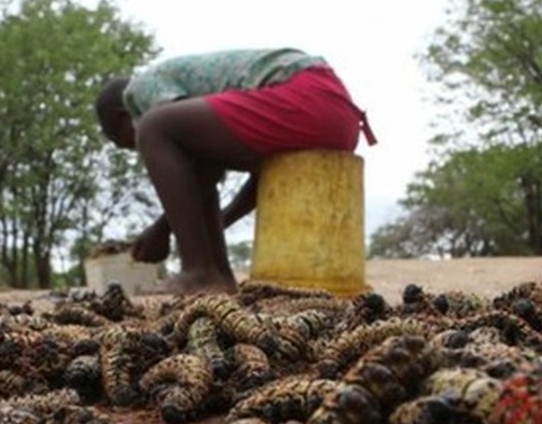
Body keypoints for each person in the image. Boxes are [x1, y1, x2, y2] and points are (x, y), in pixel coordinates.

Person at [95, 47, 375, 294]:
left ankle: (198, 271)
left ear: (123, 115)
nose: (138, 150)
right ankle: (219, 278)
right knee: (190, 157)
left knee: (154, 128)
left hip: (307, 96)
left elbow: (193, 163)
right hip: (339, 115)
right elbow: (206, 169)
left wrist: (161, 229)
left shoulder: (141, 89)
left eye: (128, 143)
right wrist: (222, 218)